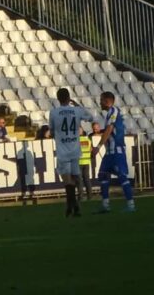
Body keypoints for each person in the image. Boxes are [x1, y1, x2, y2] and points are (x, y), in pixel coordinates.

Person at [48, 88, 94, 217]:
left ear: (58, 99)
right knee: (74, 179)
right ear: (69, 98)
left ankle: (72, 205)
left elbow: (51, 131)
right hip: (75, 150)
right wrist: (77, 105)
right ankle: (74, 206)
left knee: (67, 180)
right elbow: (90, 117)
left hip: (63, 150)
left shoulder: (54, 113)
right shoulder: (77, 110)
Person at [93, 91, 135, 213]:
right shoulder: (109, 113)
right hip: (109, 152)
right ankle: (105, 205)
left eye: (101, 100)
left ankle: (131, 205)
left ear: (107, 101)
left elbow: (110, 129)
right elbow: (109, 130)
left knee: (122, 176)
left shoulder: (113, 111)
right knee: (102, 175)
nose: (99, 102)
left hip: (116, 151)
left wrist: (98, 146)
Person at [77, 129, 93, 201]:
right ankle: (90, 196)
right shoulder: (88, 139)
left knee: (79, 180)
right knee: (87, 180)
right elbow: (91, 149)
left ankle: (81, 197)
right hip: (86, 162)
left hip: (79, 162)